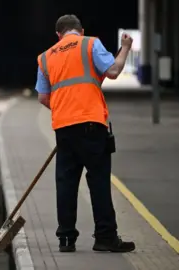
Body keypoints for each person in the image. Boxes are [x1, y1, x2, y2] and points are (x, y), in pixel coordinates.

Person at [34, 14, 136, 253]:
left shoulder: (45, 57)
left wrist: (65, 110)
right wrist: (126, 48)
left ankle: (66, 239)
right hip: (91, 126)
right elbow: (112, 71)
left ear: (58, 35)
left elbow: (42, 97)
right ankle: (105, 237)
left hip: (63, 128)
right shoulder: (90, 44)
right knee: (98, 181)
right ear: (80, 31)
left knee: (66, 183)